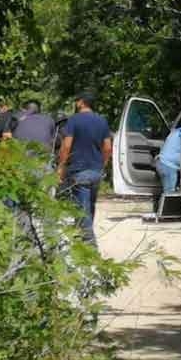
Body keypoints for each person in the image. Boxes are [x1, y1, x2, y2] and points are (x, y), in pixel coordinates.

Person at [57, 92, 112, 248]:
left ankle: (89, 244)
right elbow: (107, 147)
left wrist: (61, 166)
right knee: (90, 206)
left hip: (78, 170)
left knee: (82, 209)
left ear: (81, 102)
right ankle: (83, 238)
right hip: (95, 171)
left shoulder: (74, 120)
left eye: (76, 101)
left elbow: (67, 145)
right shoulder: (102, 121)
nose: (76, 103)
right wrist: (103, 164)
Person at [156, 124, 181, 194]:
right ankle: (165, 204)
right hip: (168, 166)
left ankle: (161, 203)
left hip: (161, 162)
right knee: (169, 194)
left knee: (167, 192)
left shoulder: (175, 132)